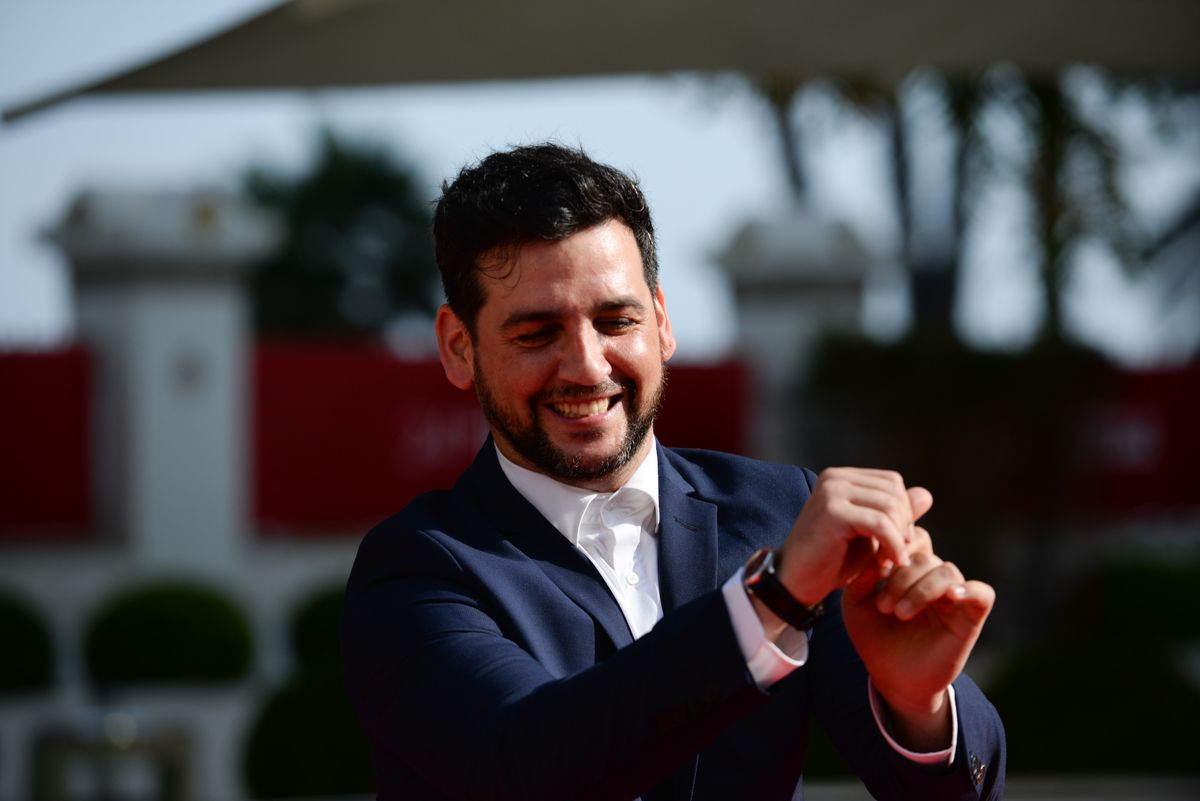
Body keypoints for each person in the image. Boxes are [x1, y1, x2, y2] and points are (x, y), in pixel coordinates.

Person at [341, 143, 1005, 800]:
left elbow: (953, 793)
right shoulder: (415, 570)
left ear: (660, 321)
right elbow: (527, 762)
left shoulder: (784, 513)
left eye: (615, 320)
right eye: (536, 333)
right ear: (459, 347)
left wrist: (918, 706)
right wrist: (769, 601)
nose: (587, 365)